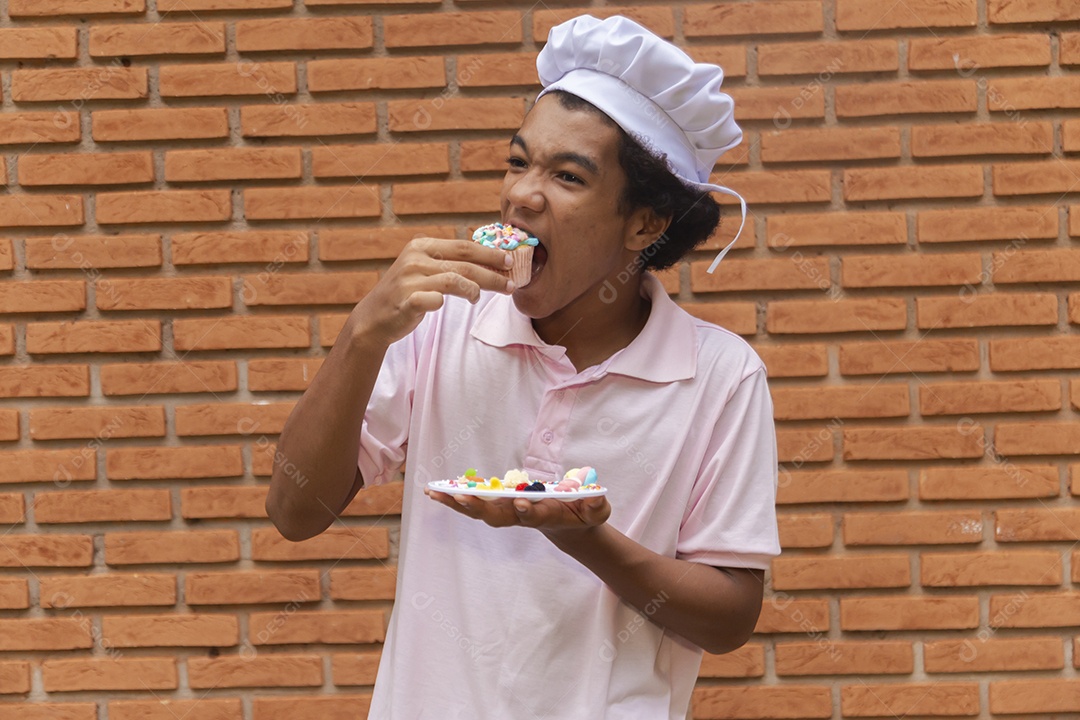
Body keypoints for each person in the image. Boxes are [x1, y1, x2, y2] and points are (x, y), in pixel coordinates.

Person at [267, 14, 779, 720]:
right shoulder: (443, 321)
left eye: (567, 176)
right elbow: (294, 512)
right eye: (517, 162)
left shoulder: (721, 375)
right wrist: (362, 334)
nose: (521, 196)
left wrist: (584, 538)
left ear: (645, 224)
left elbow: (729, 619)